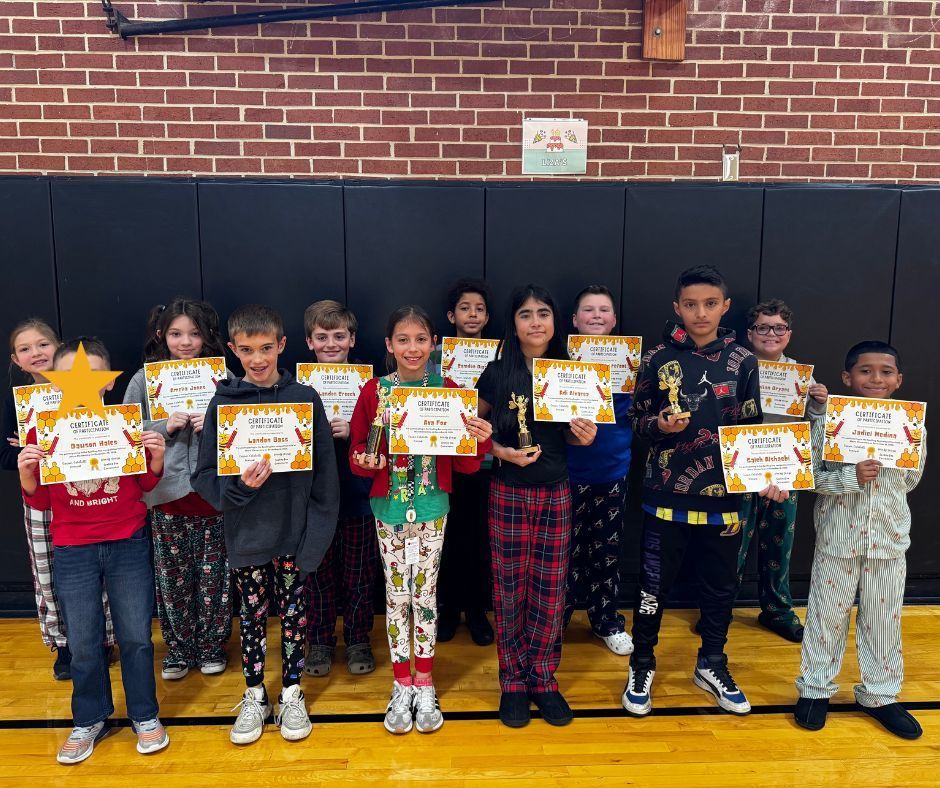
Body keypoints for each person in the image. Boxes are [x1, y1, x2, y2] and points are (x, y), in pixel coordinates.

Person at [622, 265, 784, 719]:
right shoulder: (655, 358)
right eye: (690, 304)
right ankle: (642, 663)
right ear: (677, 307)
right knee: (652, 588)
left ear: (725, 307)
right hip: (665, 495)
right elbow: (636, 423)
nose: (700, 313)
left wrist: (767, 474)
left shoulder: (743, 360)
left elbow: (753, 429)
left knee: (720, 588)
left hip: (727, 497)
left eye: (710, 304)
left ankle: (712, 662)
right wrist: (657, 425)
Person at [192, 304, 339, 745]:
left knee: (295, 617)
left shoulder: (306, 399)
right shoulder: (222, 404)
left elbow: (325, 481)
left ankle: (292, 691)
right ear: (234, 350)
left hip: (294, 535)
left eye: (266, 348)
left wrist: (313, 541)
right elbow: (203, 478)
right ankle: (255, 694)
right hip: (248, 537)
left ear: (282, 346)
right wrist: (238, 489)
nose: (257, 359)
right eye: (247, 350)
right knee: (252, 618)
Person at [18, 337, 169, 763]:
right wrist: (27, 476)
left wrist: (155, 460)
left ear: (106, 382)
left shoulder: (125, 423)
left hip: (127, 541)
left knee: (137, 636)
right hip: (72, 548)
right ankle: (89, 718)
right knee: (83, 641)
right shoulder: (41, 430)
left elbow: (145, 486)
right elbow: (41, 502)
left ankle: (144, 714)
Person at [349, 305, 492, 735]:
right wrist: (365, 460)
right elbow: (359, 454)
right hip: (389, 508)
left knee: (425, 594)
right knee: (397, 598)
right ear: (389, 345)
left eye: (421, 339)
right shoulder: (374, 391)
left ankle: (425, 681)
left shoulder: (448, 389)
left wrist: (478, 442)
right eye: (403, 340)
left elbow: (465, 467)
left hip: (432, 508)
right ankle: (401, 682)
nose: (413, 348)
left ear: (434, 343)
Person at [476, 284, 597, 729]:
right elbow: (469, 427)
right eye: (525, 314)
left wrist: (583, 435)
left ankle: (543, 679)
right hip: (508, 491)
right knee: (509, 590)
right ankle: (512, 682)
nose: (535, 322)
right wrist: (501, 452)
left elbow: (571, 433)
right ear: (514, 323)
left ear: (555, 321)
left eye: (543, 313)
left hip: (556, 491)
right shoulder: (496, 372)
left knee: (550, 590)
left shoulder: (569, 371)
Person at [795, 341, 925, 740]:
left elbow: (912, 478)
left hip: (888, 541)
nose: (876, 378)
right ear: (847, 378)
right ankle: (816, 688)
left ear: (898, 380)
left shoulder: (911, 424)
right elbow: (810, 477)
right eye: (865, 371)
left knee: (883, 622)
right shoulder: (829, 423)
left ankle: (880, 695)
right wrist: (853, 476)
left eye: (886, 372)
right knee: (824, 617)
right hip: (838, 540)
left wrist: (887, 462)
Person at [123, 298, 232, 680]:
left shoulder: (223, 377)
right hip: (166, 497)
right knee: (172, 578)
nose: (185, 342)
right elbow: (126, 437)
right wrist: (164, 428)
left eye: (194, 334)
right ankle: (179, 649)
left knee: (214, 577)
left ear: (206, 337)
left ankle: (211, 645)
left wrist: (214, 426)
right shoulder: (143, 379)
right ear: (161, 335)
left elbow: (242, 433)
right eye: (176, 334)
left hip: (211, 497)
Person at [4, 319, 117, 680]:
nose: (35, 353)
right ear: (16, 360)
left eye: (42, 345)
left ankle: (103, 639)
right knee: (48, 573)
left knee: (97, 571)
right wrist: (26, 453)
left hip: (91, 496)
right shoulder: (17, 403)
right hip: (41, 498)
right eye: (25, 349)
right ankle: (65, 644)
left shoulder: (91, 388)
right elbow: (5, 454)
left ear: (60, 350)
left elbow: (111, 438)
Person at [737, 299, 828, 642]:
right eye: (763, 327)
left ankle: (777, 611)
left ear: (788, 334)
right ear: (751, 333)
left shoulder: (800, 375)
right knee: (733, 546)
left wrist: (819, 404)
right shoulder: (737, 366)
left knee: (779, 544)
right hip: (742, 469)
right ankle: (719, 608)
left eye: (778, 328)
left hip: (785, 472)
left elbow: (816, 423)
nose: (770, 334)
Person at [301, 299, 377, 678]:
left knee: (359, 574)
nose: (331, 343)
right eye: (322, 336)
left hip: (359, 496)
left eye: (339, 336)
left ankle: (359, 637)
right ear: (309, 343)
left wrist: (354, 431)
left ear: (352, 340)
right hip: (313, 500)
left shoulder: (371, 387)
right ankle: (319, 640)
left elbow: (387, 436)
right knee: (316, 572)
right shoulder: (296, 389)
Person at [563, 285, 634, 656]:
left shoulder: (630, 363)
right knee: (562, 554)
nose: (596, 316)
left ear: (614, 319)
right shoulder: (558, 362)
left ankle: (606, 619)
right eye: (587, 310)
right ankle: (556, 620)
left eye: (603, 310)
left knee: (606, 550)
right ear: (575, 320)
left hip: (612, 471)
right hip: (567, 473)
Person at [436, 278, 495, 646]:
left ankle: (476, 611)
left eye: (478, 309)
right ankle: (446, 610)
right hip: (443, 461)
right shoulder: (433, 356)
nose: (471, 314)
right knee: (445, 540)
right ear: (451, 315)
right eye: (464, 308)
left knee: (478, 541)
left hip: (487, 462)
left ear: (488, 317)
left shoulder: (501, 357)